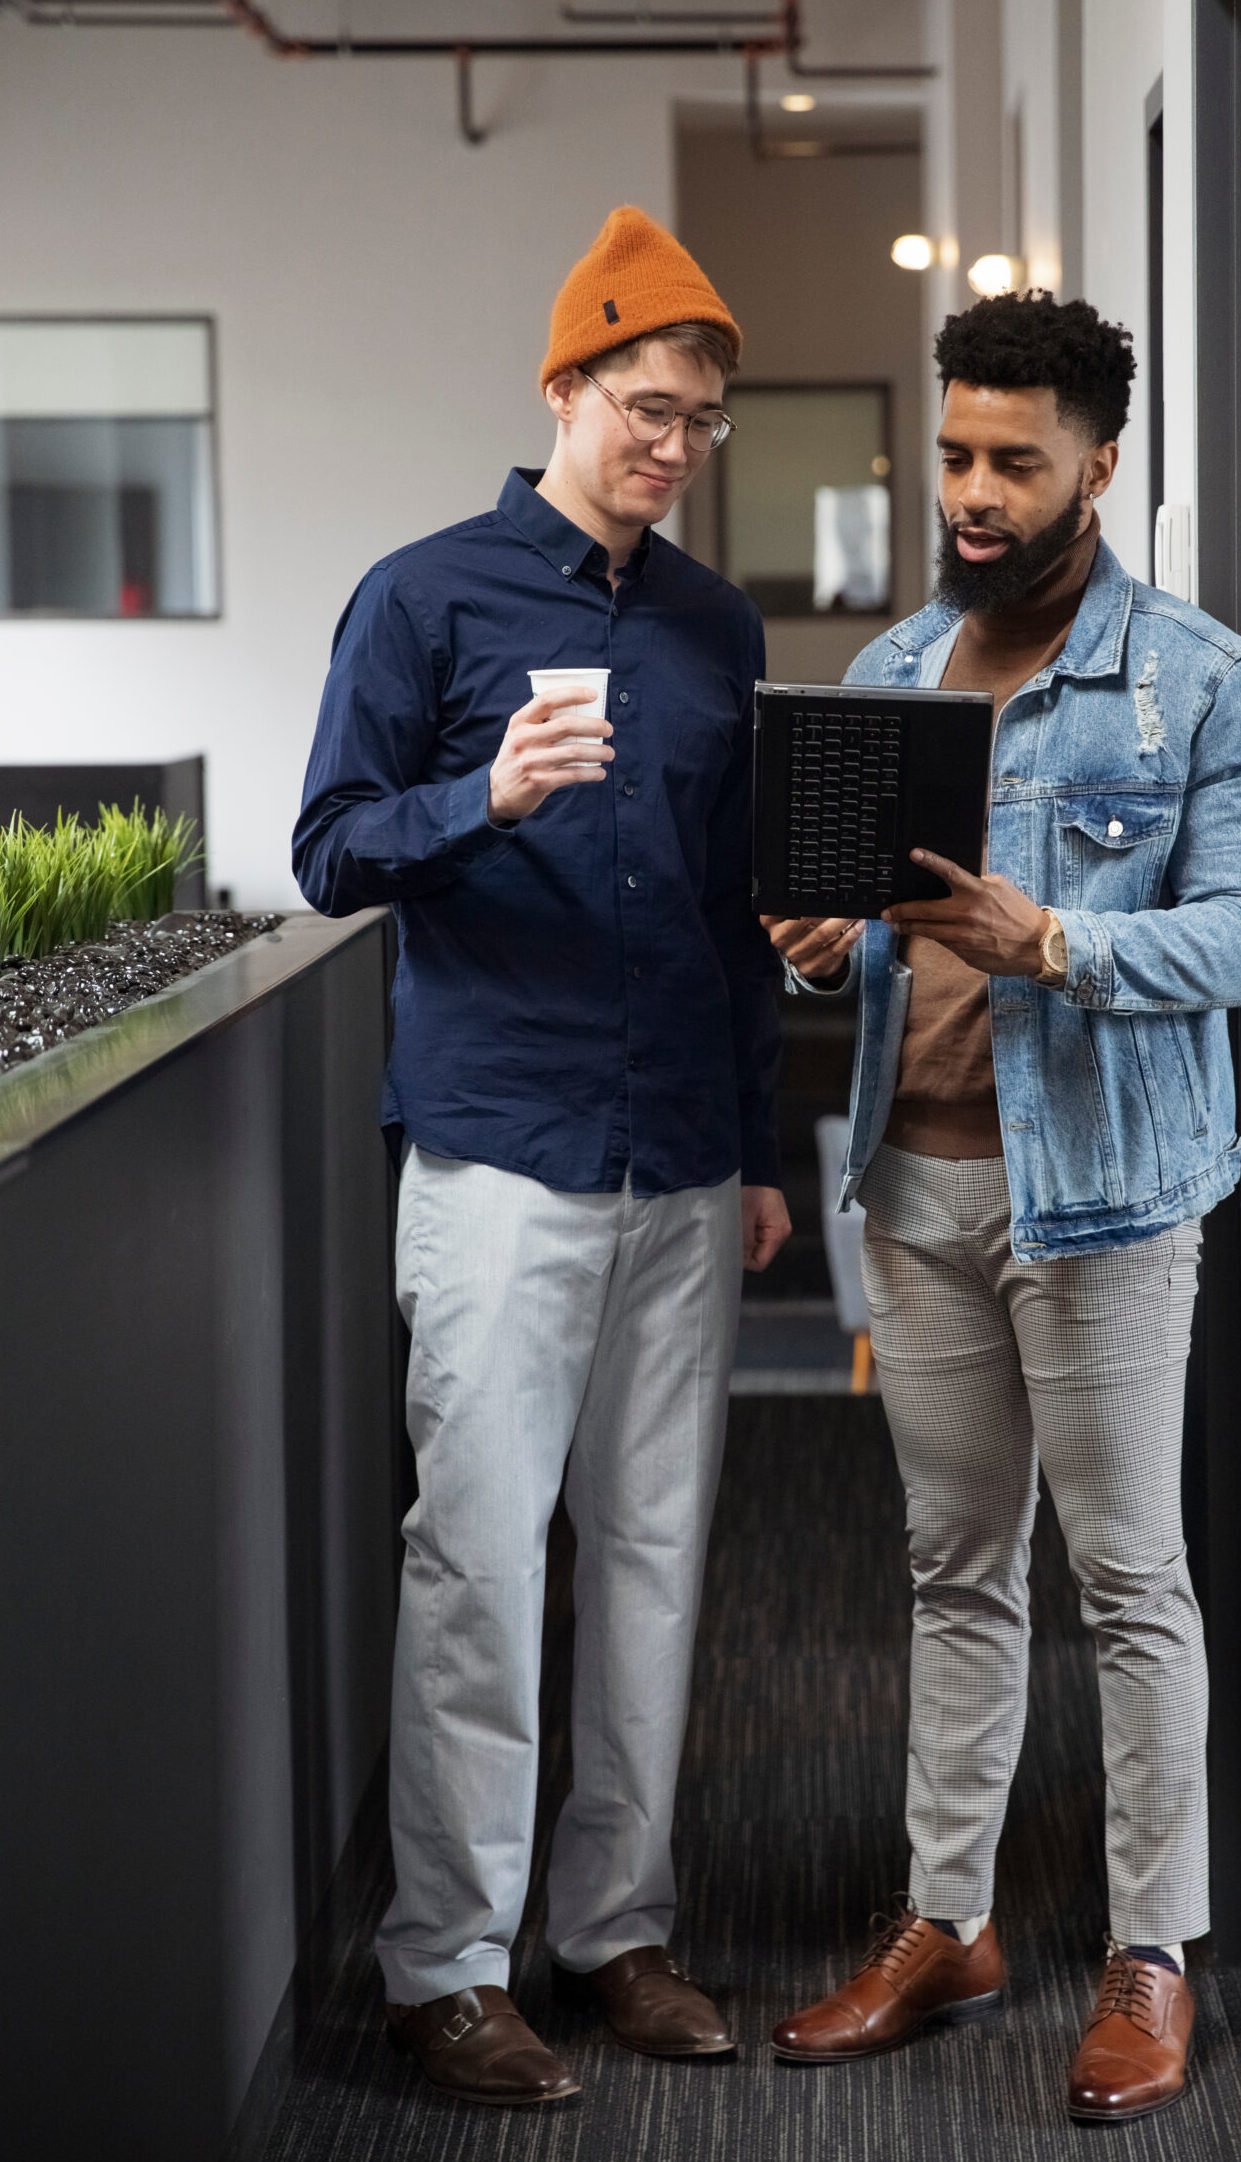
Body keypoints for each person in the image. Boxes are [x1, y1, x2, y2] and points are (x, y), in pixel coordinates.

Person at [292, 206, 788, 2108]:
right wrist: (480, 796)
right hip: (500, 1156)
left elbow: (739, 913)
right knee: (483, 1562)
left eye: (700, 424)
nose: (671, 446)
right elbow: (334, 848)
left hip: (678, 1160)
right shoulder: (422, 600)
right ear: (564, 388)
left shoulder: (709, 626)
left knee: (655, 1560)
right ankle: (442, 1964)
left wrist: (755, 1151)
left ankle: (617, 1932)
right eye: (648, 408)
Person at [764, 290, 1241, 2125]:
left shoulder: (1202, 680)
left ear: (1099, 467)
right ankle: (949, 1918)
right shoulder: (898, 664)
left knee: (1129, 1577)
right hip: (910, 1186)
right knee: (949, 1563)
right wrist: (823, 945)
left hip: (1108, 1203)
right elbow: (859, 941)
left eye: (1014, 463)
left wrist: (1050, 938)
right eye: (958, 453)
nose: (972, 493)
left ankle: (1155, 1949)